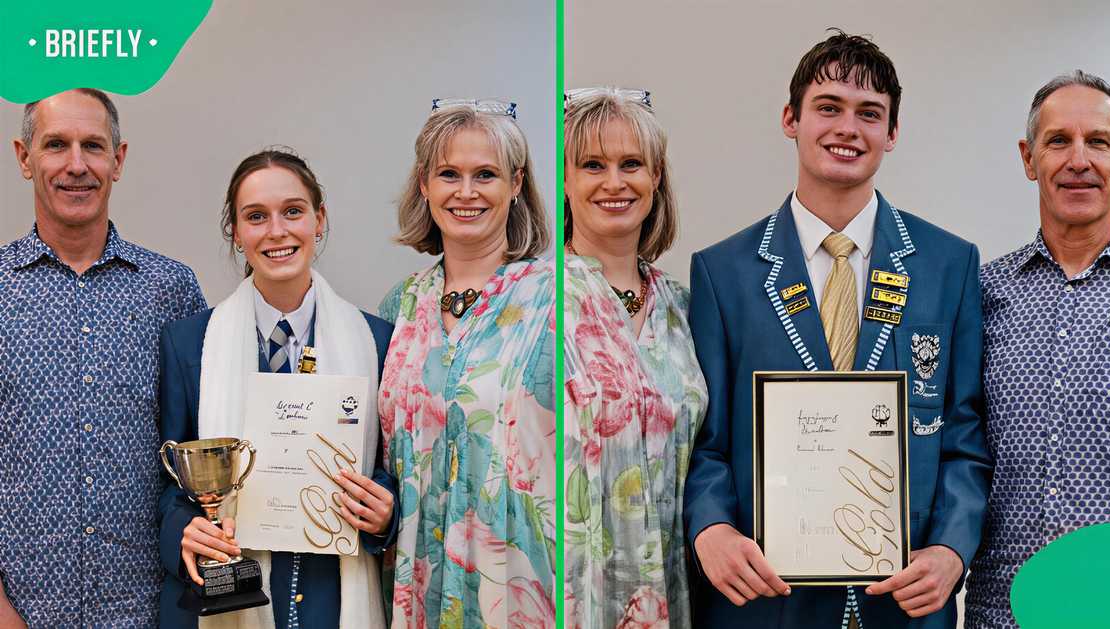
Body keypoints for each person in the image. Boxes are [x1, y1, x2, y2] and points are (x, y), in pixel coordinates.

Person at [683, 30, 993, 628]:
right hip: (766, 599)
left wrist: (952, 549)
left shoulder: (948, 264)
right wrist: (712, 526)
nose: (847, 128)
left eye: (869, 114)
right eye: (828, 107)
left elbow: (965, 434)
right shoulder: (723, 274)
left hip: (902, 602)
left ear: (892, 134)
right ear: (790, 118)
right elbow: (705, 441)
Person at [157, 148, 398, 628]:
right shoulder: (188, 344)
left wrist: (384, 514)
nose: (277, 231)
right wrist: (185, 529)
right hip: (226, 593)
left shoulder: (377, 341)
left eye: (292, 211)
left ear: (319, 219)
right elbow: (167, 481)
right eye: (256, 217)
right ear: (236, 232)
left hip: (332, 598)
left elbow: (390, 470)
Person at [0, 88, 206, 627]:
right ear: (25, 158)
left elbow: (202, 444)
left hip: (146, 610)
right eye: (55, 145)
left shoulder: (172, 289)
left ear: (119, 159)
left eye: (93, 145)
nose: (76, 165)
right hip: (23, 612)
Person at [377, 100, 555, 628]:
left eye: (486, 175)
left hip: (519, 590)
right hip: (416, 583)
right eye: (449, 174)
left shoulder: (558, 300)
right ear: (425, 184)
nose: (466, 192)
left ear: (516, 183)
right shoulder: (399, 307)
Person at [965, 71, 1110, 628]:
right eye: (1059, 141)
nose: (1079, 160)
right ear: (1029, 159)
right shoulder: (981, 294)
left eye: (1098, 141)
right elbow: (953, 450)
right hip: (1001, 612)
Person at [562, 87, 706, 628]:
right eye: (592, 165)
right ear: (565, 183)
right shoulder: (528, 301)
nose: (615, 182)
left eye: (632, 164)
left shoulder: (686, 308)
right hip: (569, 591)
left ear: (656, 179)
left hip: (673, 587)